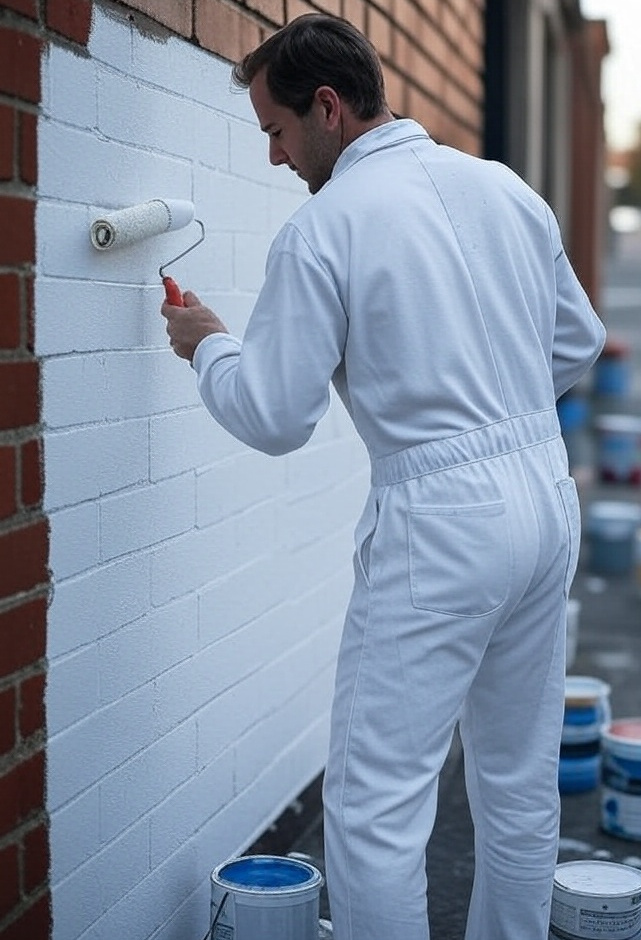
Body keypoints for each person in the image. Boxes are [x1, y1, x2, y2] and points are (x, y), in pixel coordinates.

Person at [161, 14, 606, 940]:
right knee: (518, 788)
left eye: (277, 131)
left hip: (442, 521)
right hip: (542, 493)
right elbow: (578, 340)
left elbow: (276, 416)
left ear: (327, 107)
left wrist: (210, 350)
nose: (277, 158)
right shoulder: (501, 188)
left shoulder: (325, 229)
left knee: (372, 812)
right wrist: (498, 402)